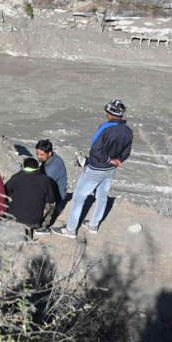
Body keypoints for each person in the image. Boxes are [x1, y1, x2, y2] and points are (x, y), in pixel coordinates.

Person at [54, 100, 133, 238]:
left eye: (107, 112)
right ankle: (93, 225)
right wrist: (117, 160)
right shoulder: (128, 131)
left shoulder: (105, 127)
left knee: (79, 196)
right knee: (102, 195)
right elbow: (126, 152)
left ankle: (71, 229)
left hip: (96, 168)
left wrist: (108, 159)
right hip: (111, 169)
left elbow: (95, 150)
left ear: (110, 113)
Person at [5, 158, 58, 235]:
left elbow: (5, 192)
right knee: (52, 202)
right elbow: (51, 199)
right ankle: (43, 225)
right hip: (34, 222)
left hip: (14, 219)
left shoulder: (16, 177)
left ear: (24, 167)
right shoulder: (45, 179)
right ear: (38, 168)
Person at [34, 139, 68, 234]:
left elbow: (43, 186)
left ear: (50, 153)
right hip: (50, 187)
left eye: (41, 155)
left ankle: (44, 224)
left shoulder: (54, 166)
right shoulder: (48, 160)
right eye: (37, 154)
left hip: (57, 197)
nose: (38, 157)